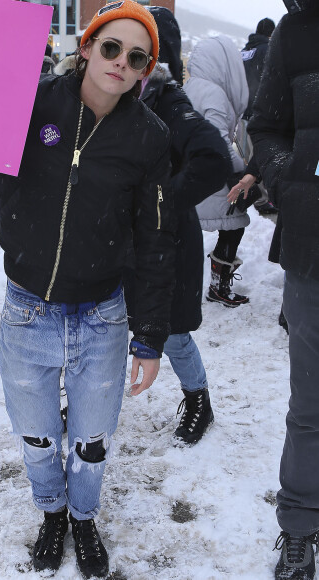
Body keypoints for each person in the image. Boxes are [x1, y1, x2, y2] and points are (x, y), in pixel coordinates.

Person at [0, 2, 176, 577]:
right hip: (28, 312)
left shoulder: (149, 137)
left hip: (102, 317)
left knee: (93, 440)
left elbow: (154, 242)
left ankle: (83, 516)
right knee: (39, 438)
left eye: (137, 57)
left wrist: (149, 338)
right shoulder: (35, 103)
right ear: (86, 47)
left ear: (146, 68)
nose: (121, 63)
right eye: (111, 48)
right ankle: (51, 513)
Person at [134, 6, 231, 444]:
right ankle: (85, 399)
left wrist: (161, 203)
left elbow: (213, 158)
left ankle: (198, 400)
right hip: (115, 237)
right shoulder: (110, 95)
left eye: (144, 50)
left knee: (171, 334)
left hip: (167, 240)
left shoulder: (166, 99)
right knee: (105, 326)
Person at [248, 1, 319, 578]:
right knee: (312, 406)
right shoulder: (296, 32)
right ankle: (299, 527)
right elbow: (265, 124)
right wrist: (289, 175)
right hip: (314, 254)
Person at [184, 35, 251, 308]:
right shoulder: (214, 93)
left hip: (188, 174)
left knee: (186, 231)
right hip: (213, 179)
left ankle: (186, 284)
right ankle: (219, 286)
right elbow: (219, 142)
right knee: (234, 225)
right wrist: (243, 171)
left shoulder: (189, 87)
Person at [237, 17, 279, 217]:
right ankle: (261, 200)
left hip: (241, 113)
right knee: (260, 157)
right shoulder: (267, 51)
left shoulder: (243, 52)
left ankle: (251, 194)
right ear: (271, 33)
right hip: (260, 113)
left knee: (246, 158)